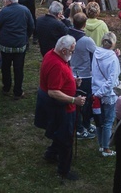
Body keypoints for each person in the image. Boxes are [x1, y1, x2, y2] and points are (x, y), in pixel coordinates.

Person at [34, 35, 86, 182]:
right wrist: (73, 100)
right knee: (66, 138)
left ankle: (51, 154)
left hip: (55, 105)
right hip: (62, 107)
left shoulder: (51, 54)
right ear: (63, 50)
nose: (73, 53)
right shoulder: (57, 65)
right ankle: (64, 170)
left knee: (59, 132)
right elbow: (53, 91)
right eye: (72, 50)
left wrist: (72, 81)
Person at [0, 0, 34, 99]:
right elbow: (31, 26)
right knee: (19, 69)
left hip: (6, 46)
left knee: (6, 67)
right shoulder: (25, 10)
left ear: (9, 1)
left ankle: (6, 88)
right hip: (20, 46)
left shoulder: (4, 11)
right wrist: (26, 37)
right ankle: (18, 91)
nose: (3, 0)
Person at [91, 32, 121, 157]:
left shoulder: (96, 53)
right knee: (108, 121)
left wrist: (97, 93)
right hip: (108, 94)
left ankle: (100, 144)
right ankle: (106, 147)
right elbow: (112, 80)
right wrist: (101, 92)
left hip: (95, 91)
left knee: (99, 121)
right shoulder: (113, 58)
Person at [69, 13, 97, 139]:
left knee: (78, 102)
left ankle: (84, 125)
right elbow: (97, 53)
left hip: (72, 73)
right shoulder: (86, 40)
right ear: (84, 25)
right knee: (85, 103)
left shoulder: (68, 37)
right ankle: (80, 128)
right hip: (85, 76)